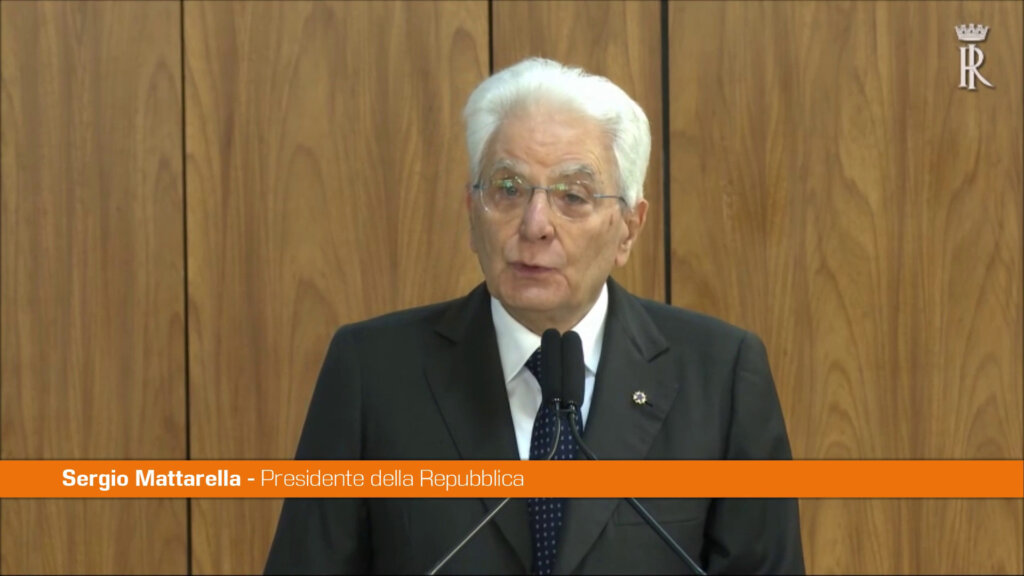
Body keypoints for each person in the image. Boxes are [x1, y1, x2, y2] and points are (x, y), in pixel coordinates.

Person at [265, 57, 804, 575]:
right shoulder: (373, 373)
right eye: (508, 189)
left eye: (573, 196)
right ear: (472, 213)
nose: (535, 224)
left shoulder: (721, 377)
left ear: (629, 228)